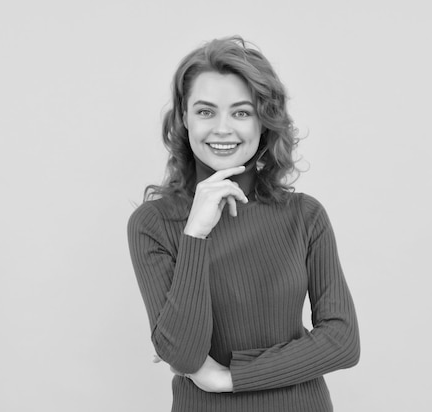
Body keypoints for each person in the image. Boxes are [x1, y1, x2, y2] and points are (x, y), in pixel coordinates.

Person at [127, 36, 360, 412]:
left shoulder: (304, 215)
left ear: (263, 122)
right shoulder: (153, 224)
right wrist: (196, 234)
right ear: (183, 119)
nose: (223, 129)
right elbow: (184, 356)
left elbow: (343, 341)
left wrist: (230, 379)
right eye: (205, 112)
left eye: (241, 112)